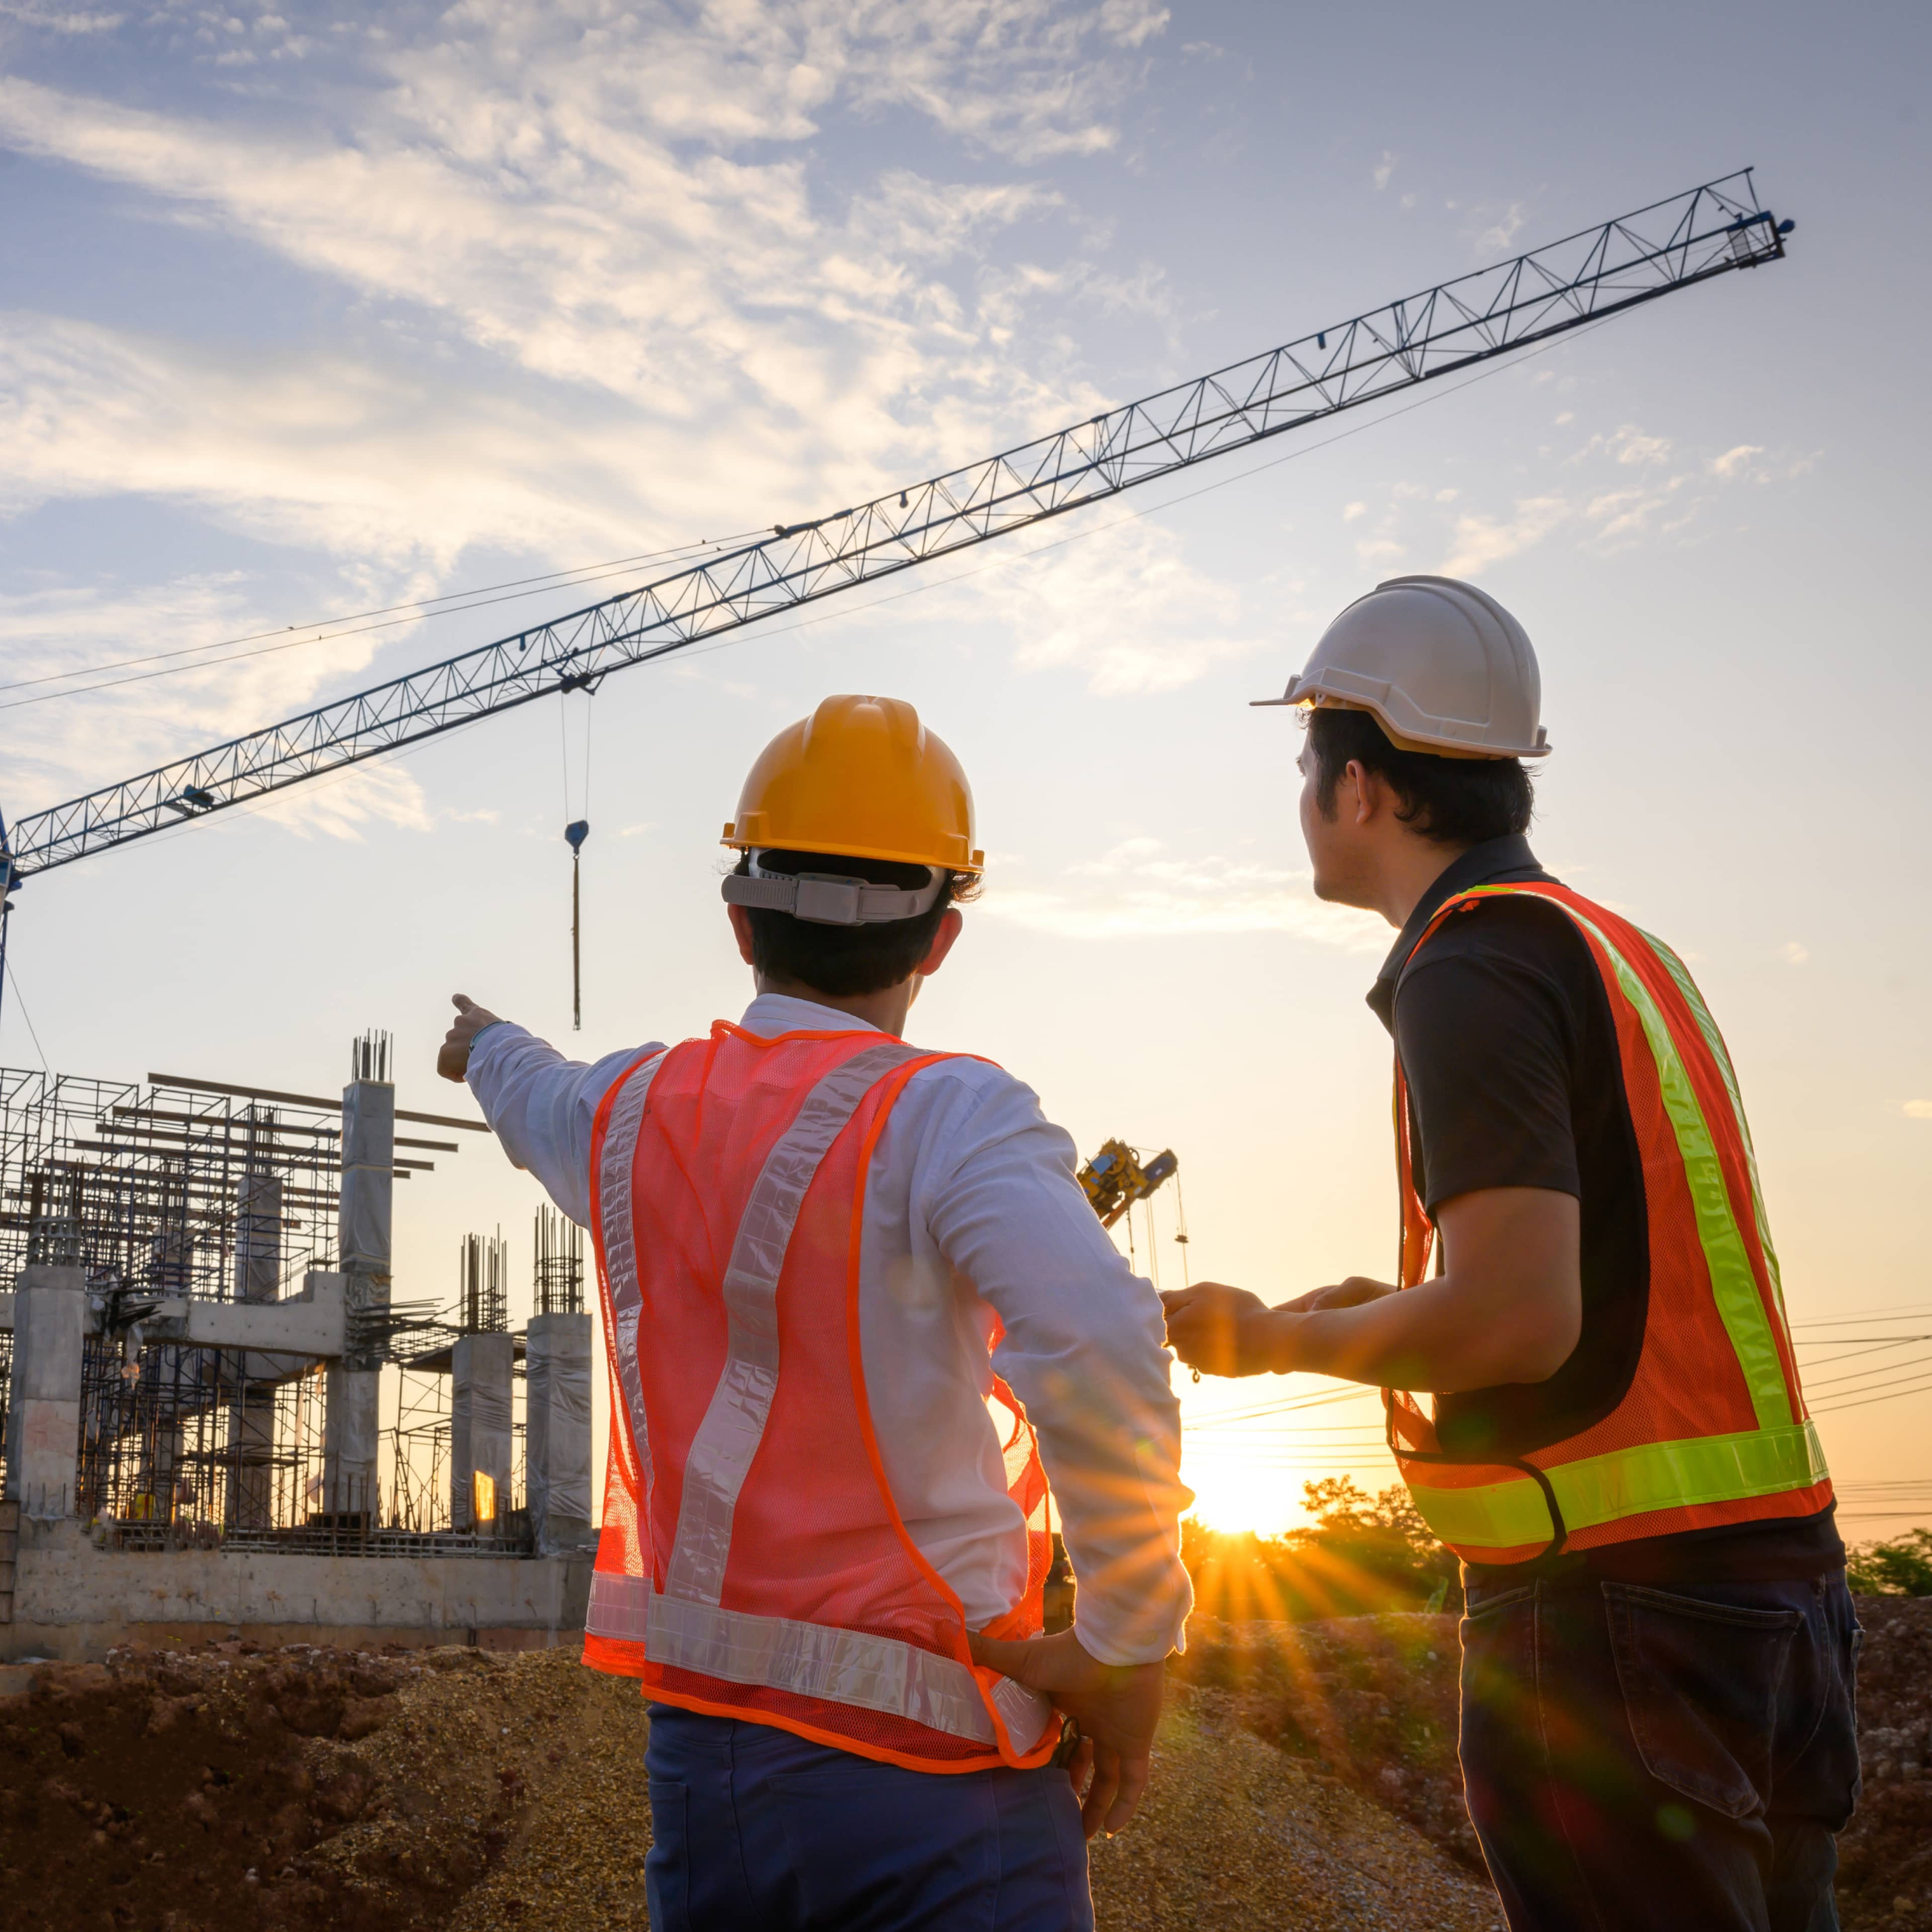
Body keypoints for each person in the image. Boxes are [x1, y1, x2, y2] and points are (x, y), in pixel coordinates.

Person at [1162, 577, 1859, 1932]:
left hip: (1618, 1619)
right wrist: (1392, 1314)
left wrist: (1277, 1340)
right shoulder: (1620, 952)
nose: (1304, 799)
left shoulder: (1468, 969)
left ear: (1362, 789)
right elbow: (1612, 1291)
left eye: (1309, 768)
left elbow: (1519, 1323)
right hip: (1775, 1599)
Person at [439, 693, 1191, 1931]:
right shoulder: (952, 1118)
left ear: (740, 922)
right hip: (934, 1778)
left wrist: (483, 1046)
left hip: (707, 1781)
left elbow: (539, 1093)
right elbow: (1103, 1345)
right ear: (942, 938)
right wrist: (1126, 1639)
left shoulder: (630, 1113)